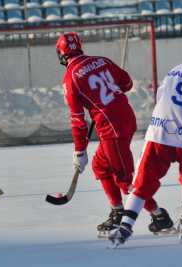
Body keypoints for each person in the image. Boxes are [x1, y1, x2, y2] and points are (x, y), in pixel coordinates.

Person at [109, 30, 182, 246]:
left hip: (160, 131)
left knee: (142, 182)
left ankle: (125, 227)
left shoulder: (176, 69)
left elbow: (160, 97)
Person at [56, 32, 137, 237]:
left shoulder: (70, 78)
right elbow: (127, 84)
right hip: (127, 118)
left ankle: (158, 214)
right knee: (100, 166)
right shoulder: (101, 60)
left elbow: (78, 121)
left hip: (112, 130)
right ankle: (118, 211)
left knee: (125, 180)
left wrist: (79, 151)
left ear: (61, 54)